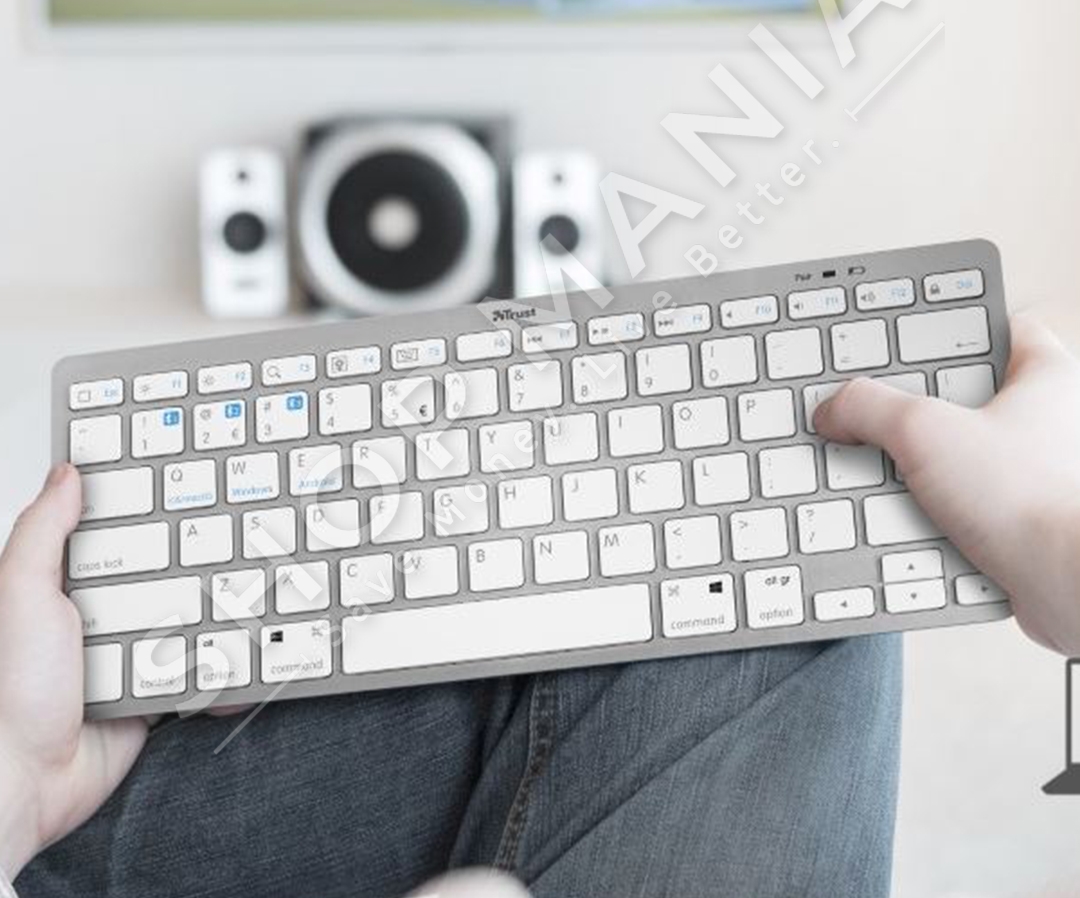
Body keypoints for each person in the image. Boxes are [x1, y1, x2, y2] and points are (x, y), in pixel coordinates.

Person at [1, 312, 1077, 898]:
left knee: (744, 553)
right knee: (792, 577)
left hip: (59, 821)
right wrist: (1043, 538)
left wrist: (22, 775)